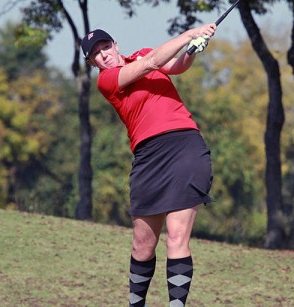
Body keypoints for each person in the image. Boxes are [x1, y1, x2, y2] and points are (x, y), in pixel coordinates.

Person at [81, 24, 217, 307]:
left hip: (185, 146)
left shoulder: (141, 54)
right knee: (142, 245)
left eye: (105, 47)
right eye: (96, 54)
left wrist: (192, 50)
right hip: (148, 157)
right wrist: (189, 34)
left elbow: (176, 66)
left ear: (115, 44)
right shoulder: (108, 80)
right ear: (92, 63)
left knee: (177, 237)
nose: (103, 55)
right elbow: (153, 62)